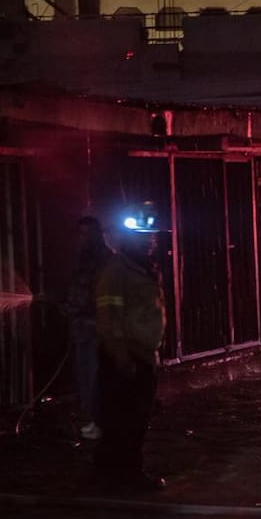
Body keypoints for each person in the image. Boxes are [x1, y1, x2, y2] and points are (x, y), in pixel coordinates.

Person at [93, 203, 166, 493]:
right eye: (143, 238)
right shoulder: (116, 272)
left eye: (152, 237)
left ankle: (107, 475)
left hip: (144, 355)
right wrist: (122, 358)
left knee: (132, 419)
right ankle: (126, 475)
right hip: (125, 357)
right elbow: (109, 320)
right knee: (124, 420)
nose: (149, 242)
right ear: (128, 240)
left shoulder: (145, 270)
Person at [64, 216, 111, 441]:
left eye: (85, 234)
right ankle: (94, 421)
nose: (81, 239)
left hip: (97, 330)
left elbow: (90, 295)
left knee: (94, 378)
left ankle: (99, 423)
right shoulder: (85, 259)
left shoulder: (103, 261)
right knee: (86, 377)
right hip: (84, 329)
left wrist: (69, 306)